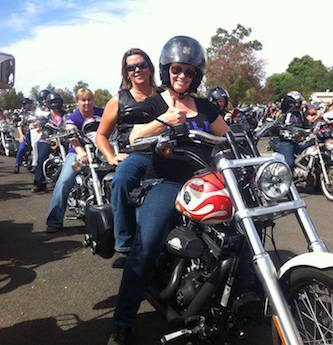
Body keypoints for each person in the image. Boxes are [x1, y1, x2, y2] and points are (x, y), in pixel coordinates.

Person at [108, 35, 230, 345]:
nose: (182, 77)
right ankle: (122, 321)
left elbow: (229, 137)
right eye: (177, 70)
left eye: (189, 72)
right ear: (166, 70)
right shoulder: (154, 102)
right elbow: (133, 137)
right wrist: (163, 120)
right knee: (146, 245)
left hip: (207, 179)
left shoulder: (204, 106)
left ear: (197, 75)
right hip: (166, 182)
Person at [96, 48, 157, 268]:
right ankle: (125, 244)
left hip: (166, 152)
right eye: (131, 67)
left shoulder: (164, 95)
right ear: (126, 73)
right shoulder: (118, 100)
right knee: (121, 181)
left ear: (150, 67)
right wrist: (111, 156)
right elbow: (101, 135)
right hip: (135, 154)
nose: (137, 70)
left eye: (141, 65)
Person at [45, 88, 103, 233]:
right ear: (77, 102)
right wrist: (80, 151)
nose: (86, 103)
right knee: (65, 181)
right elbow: (72, 136)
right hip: (79, 155)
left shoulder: (101, 113)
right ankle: (54, 220)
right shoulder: (74, 117)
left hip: (101, 152)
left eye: (89, 99)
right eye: (83, 100)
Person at [32, 92, 65, 192]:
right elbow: (39, 123)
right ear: (49, 104)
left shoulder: (67, 114)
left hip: (63, 139)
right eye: (53, 102)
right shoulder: (46, 116)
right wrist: (39, 125)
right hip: (47, 139)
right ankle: (38, 183)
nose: (55, 104)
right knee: (42, 156)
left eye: (57, 102)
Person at [14, 98, 34, 173]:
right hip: (26, 134)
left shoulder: (35, 113)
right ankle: (17, 165)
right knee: (22, 148)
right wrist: (21, 135)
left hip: (35, 133)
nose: (26, 105)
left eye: (28, 104)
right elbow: (19, 126)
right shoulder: (22, 115)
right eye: (25, 104)